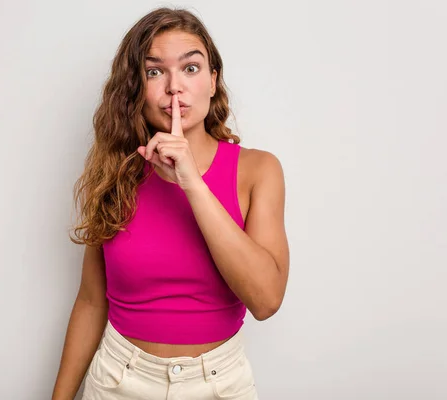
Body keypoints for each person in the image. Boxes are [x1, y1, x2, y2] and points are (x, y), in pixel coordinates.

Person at [52, 7, 290, 400]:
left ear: (213, 81)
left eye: (191, 68)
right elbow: (92, 302)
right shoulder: (115, 172)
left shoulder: (258, 170)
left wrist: (191, 182)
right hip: (117, 380)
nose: (174, 87)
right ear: (135, 88)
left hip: (219, 385)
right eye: (154, 71)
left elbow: (266, 300)